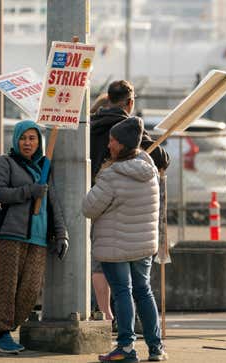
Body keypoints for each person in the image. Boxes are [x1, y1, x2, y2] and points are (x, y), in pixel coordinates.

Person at [83, 117, 167, 362]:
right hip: (143, 245)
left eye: (112, 141)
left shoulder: (112, 175)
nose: (109, 145)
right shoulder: (149, 169)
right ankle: (156, 348)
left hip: (115, 245)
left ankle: (126, 348)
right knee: (144, 292)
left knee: (122, 293)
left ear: (122, 145)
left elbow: (88, 207)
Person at [90, 80, 169, 325]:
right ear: (130, 102)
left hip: (97, 201)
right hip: (130, 216)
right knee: (137, 286)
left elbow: (87, 207)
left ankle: (103, 315)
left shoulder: (89, 125)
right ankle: (144, 337)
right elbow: (162, 158)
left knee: (100, 266)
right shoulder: (129, 129)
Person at [0, 120, 69, 353]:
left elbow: (54, 203)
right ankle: (3, 333)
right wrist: (27, 192)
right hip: (10, 235)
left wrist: (62, 234)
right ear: (16, 140)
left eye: (32, 138)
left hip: (39, 239)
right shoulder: (5, 162)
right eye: (23, 138)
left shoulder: (44, 166)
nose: (27, 143)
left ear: (39, 142)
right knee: (6, 286)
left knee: (30, 291)